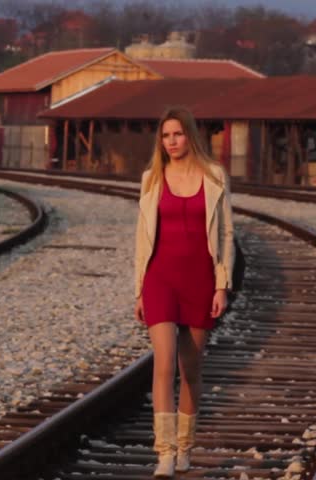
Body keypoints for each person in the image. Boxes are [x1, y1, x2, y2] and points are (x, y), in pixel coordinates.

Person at [133, 107, 234, 477]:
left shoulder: (214, 177)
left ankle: (185, 447)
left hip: (200, 280)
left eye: (176, 135)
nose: (171, 142)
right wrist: (140, 289)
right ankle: (164, 452)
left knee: (189, 368)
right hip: (160, 278)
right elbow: (141, 239)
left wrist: (222, 285)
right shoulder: (151, 178)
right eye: (165, 136)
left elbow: (226, 233)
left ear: (190, 136)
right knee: (163, 363)